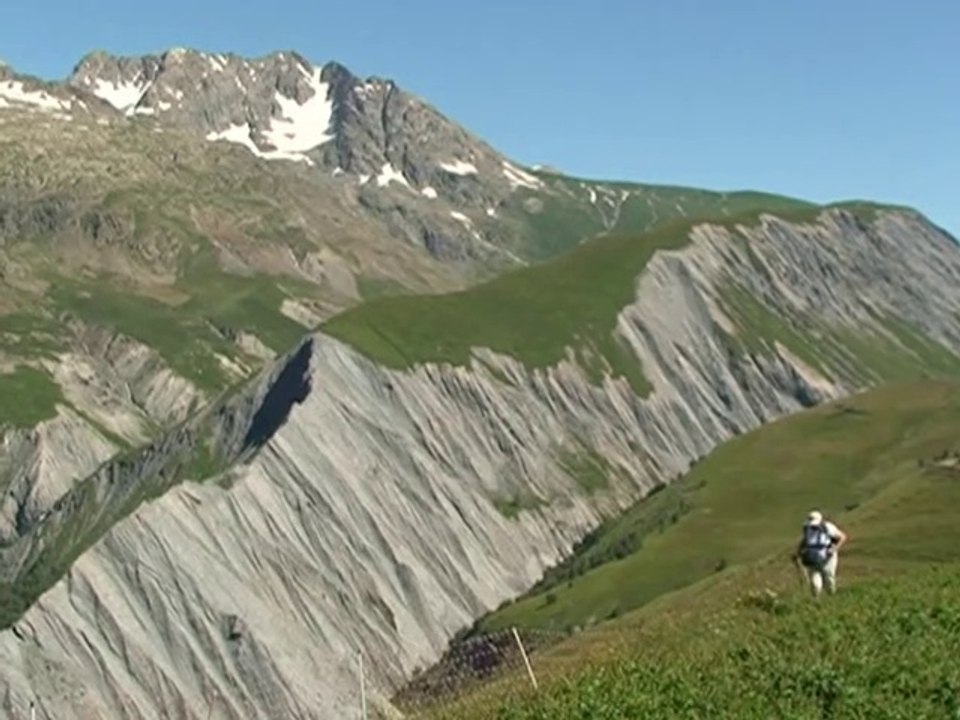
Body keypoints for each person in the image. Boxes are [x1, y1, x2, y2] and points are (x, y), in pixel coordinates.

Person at [795, 510, 847, 597]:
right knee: (814, 584)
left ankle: (831, 598)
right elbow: (805, 541)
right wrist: (798, 552)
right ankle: (816, 599)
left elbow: (842, 537)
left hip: (827, 558)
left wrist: (833, 549)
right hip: (812, 558)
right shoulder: (808, 529)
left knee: (829, 580)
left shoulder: (828, 527)